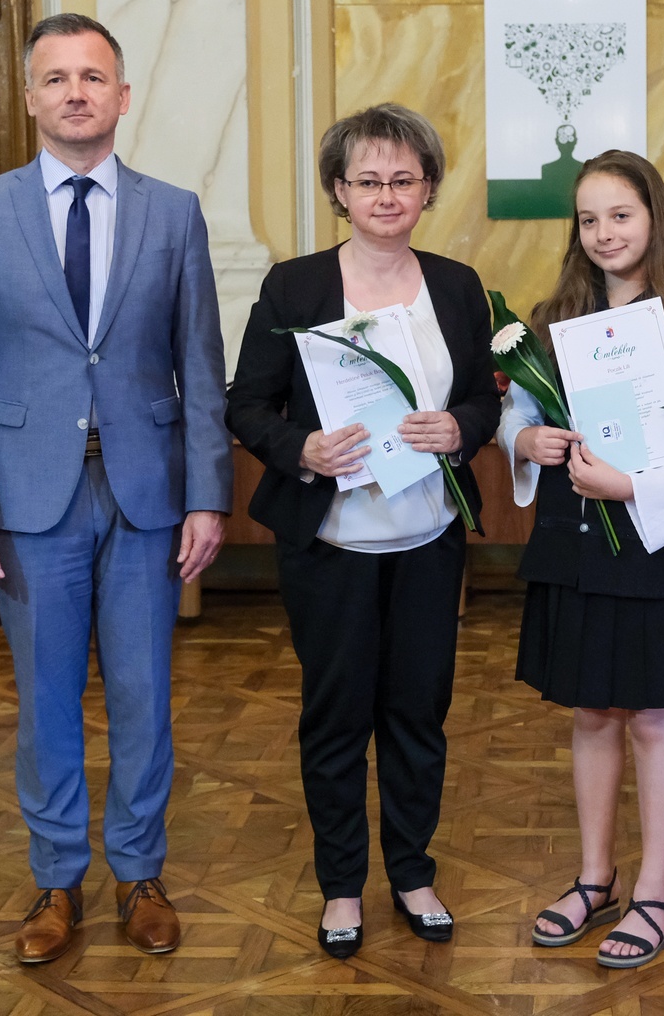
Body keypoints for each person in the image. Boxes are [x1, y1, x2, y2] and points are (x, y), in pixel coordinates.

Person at [0, 13, 233, 964]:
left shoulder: (173, 212)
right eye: (56, 78)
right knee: (47, 701)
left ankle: (140, 874)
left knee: (144, 697)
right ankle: (57, 880)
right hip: (28, 503)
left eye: (93, 77)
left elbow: (201, 366)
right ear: (30, 97)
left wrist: (208, 494)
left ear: (122, 95)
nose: (75, 92)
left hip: (146, 498)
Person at [224, 103, 500, 960]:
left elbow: (483, 400)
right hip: (332, 543)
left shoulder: (457, 286)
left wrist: (461, 427)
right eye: (368, 180)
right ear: (339, 190)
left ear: (429, 190)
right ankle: (342, 885)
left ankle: (413, 874)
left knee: (420, 712)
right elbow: (245, 403)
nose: (386, 195)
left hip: (428, 537)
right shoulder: (295, 286)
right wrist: (300, 448)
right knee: (337, 716)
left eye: (403, 180)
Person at [500, 150, 664, 969]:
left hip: (652, 544)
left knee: (654, 716)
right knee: (591, 712)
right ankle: (595, 878)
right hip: (573, 544)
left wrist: (632, 487)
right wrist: (526, 440)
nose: (604, 233)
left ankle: (656, 893)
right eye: (589, 219)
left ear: (654, 219)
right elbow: (517, 419)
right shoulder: (551, 324)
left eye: (621, 215)